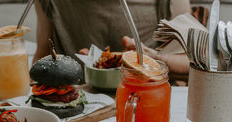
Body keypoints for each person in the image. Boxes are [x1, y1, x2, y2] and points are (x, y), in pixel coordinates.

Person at [33, 0, 190, 77]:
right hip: (75, 103)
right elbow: (42, 54)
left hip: (144, 96)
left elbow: (194, 62)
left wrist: (154, 58)